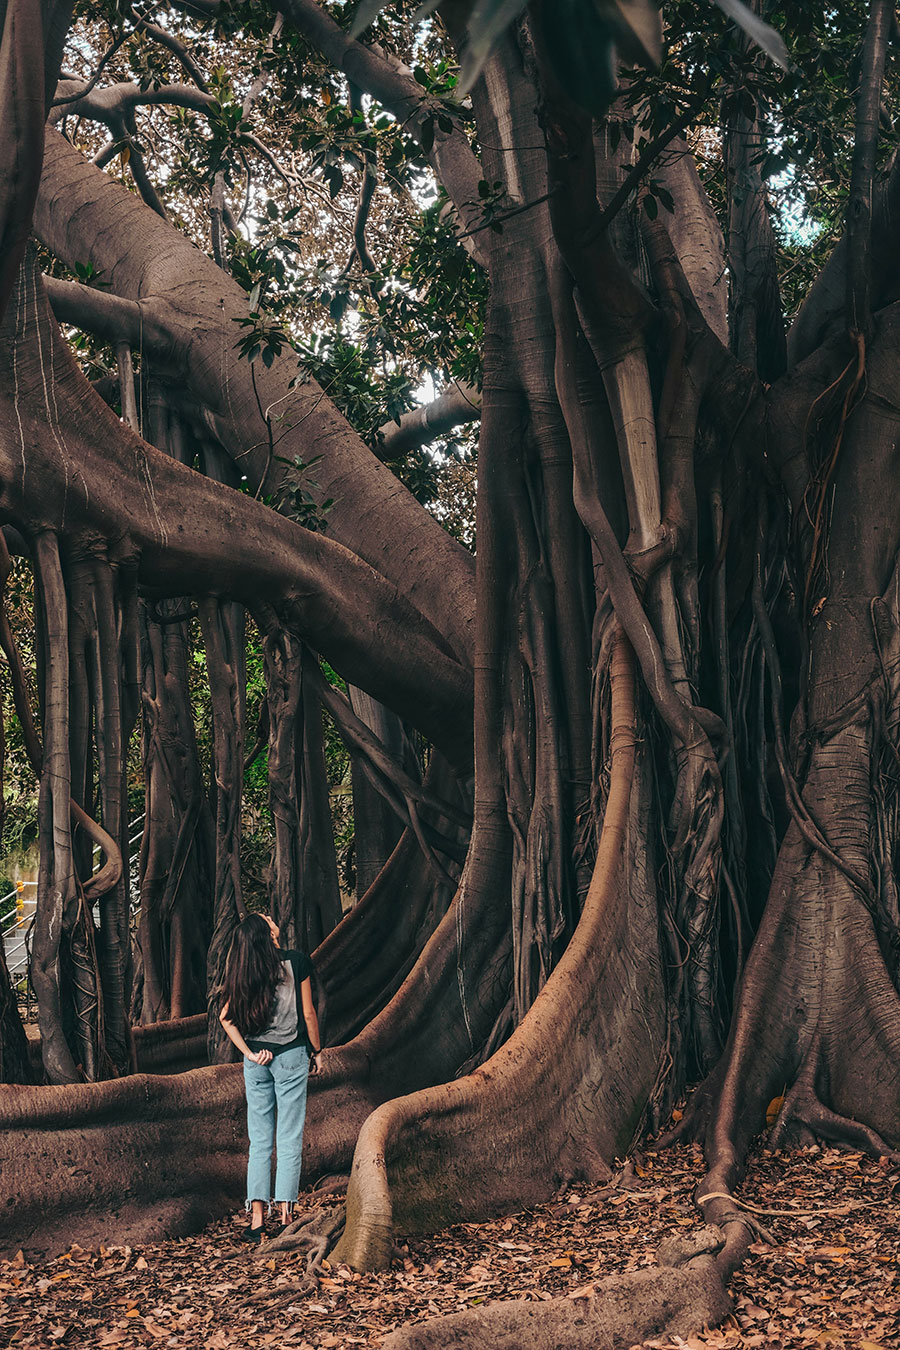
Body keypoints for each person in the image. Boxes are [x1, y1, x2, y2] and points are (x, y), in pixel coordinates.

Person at [219, 913, 322, 1244]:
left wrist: (248, 1053)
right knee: (289, 1137)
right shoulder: (296, 962)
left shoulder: (243, 969)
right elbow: (308, 1013)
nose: (270, 917)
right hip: (291, 1055)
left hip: (257, 1062)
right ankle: (286, 1217)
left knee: (260, 1141)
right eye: (266, 917)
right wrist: (316, 1050)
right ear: (267, 932)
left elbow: (226, 1018)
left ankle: (257, 1221)